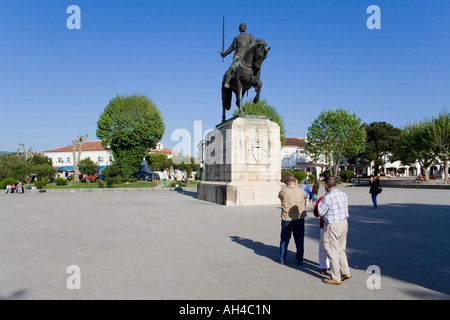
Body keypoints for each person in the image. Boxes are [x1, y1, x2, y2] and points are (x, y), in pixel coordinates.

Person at [318, 175, 351, 285]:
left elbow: (320, 212)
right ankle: (346, 271)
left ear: (326, 186)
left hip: (333, 225)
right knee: (341, 249)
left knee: (332, 251)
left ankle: (336, 277)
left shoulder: (328, 197)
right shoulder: (343, 194)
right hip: (344, 223)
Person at [277, 174, 307, 265]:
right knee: (299, 239)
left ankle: (282, 258)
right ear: (295, 182)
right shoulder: (301, 191)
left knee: (284, 239)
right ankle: (299, 259)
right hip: (299, 218)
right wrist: (297, 186)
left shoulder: (284, 191)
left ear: (287, 182)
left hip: (287, 218)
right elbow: (305, 196)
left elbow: (280, 197)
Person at [221, 23, 255, 88]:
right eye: (242, 26)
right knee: (232, 68)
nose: (244, 27)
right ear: (239, 28)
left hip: (247, 58)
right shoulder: (236, 38)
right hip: (238, 57)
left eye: (245, 26)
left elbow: (254, 44)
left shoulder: (250, 36)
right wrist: (224, 54)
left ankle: (255, 80)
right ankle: (227, 82)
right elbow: (231, 48)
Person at [313, 194, 330, 275]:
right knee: (337, 247)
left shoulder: (322, 199)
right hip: (339, 225)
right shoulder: (341, 195)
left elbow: (316, 213)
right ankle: (338, 267)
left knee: (323, 246)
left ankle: (324, 266)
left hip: (325, 225)